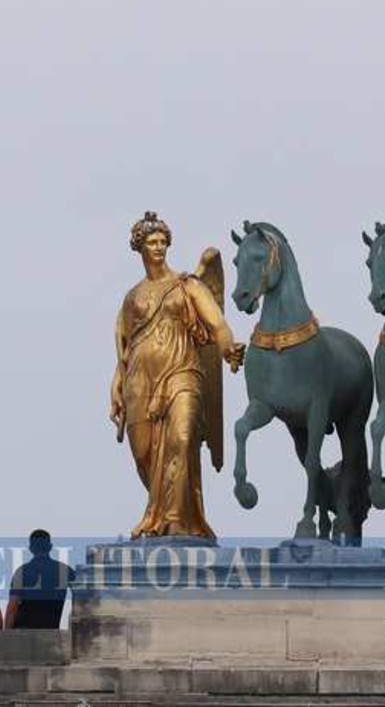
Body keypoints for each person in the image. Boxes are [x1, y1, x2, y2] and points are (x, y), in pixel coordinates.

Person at [110, 212, 244, 539]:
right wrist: (117, 383)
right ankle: (157, 512)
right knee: (144, 453)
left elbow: (217, 325)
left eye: (163, 242)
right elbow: (125, 346)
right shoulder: (132, 298)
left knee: (182, 440)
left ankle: (175, 520)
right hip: (140, 380)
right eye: (152, 242)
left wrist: (228, 349)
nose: (159, 248)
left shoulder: (189, 285)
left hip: (182, 372)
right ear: (139, 248)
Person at [5, 530, 74, 630]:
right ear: (50, 547)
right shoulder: (65, 571)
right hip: (50, 633)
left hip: (23, 632)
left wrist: (6, 636)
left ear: (31, 548)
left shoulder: (22, 571)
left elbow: (12, 608)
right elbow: (83, 596)